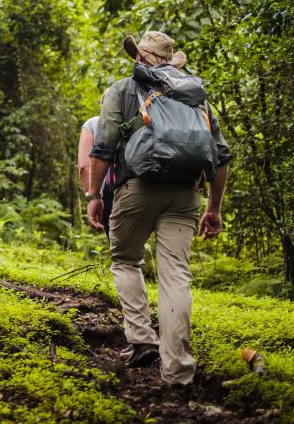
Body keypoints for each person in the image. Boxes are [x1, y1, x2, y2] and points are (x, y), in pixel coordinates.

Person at [86, 31, 232, 385]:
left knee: (125, 261)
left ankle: (141, 339)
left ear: (139, 57)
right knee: (176, 276)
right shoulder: (194, 94)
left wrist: (94, 195)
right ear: (171, 61)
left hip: (136, 187)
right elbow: (221, 156)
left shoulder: (123, 90)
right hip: (185, 193)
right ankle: (178, 370)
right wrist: (214, 208)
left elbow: (103, 147)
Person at [77, 96, 115, 235]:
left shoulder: (93, 123)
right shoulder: (139, 122)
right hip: (140, 189)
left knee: (122, 251)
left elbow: (84, 168)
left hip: (109, 193)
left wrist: (93, 197)